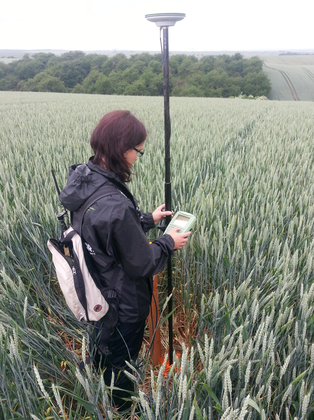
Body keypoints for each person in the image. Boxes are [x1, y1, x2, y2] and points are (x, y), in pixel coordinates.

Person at [59, 110, 191, 411]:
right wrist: (169, 242)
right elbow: (141, 263)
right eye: (138, 151)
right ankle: (122, 407)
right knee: (122, 360)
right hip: (122, 301)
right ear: (122, 149)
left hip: (94, 286)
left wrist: (146, 219)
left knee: (104, 344)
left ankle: (101, 382)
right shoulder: (115, 204)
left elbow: (106, 228)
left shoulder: (86, 178)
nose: (137, 157)